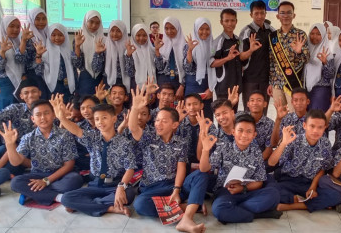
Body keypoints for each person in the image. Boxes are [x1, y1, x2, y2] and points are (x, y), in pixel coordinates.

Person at [130, 85, 208, 233]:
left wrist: (177, 190)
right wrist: (135, 108)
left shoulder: (181, 142)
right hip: (152, 188)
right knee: (140, 205)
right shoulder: (149, 137)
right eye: (157, 120)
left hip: (174, 186)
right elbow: (134, 128)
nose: (158, 124)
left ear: (174, 125)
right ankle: (188, 206)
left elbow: (181, 167)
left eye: (164, 121)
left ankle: (187, 218)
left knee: (201, 174)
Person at [54, 99, 137, 217]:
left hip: (114, 184)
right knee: (66, 198)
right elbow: (77, 130)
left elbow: (130, 168)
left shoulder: (124, 143)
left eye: (104, 118)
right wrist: (62, 118)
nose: (100, 122)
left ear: (114, 119)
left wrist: (121, 187)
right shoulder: (92, 137)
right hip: (95, 184)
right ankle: (110, 208)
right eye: (97, 119)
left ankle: (87, 204)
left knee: (128, 194)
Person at [199, 114, 281, 223]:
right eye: (240, 130)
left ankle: (234, 211)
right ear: (233, 132)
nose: (244, 135)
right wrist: (205, 150)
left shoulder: (256, 153)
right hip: (226, 191)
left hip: (247, 191)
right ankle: (256, 214)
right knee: (218, 209)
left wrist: (243, 188)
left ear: (254, 135)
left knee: (273, 194)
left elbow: (259, 181)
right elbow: (204, 169)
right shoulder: (223, 148)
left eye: (248, 131)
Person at [2, 100, 82, 206]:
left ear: (53, 115)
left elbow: (69, 165)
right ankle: (57, 197)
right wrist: (9, 144)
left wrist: (46, 181)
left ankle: (36, 192)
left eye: (46, 113)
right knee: (15, 183)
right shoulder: (28, 137)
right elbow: (16, 162)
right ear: (33, 119)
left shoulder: (65, 134)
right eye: (38, 115)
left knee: (75, 179)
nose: (43, 117)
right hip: (37, 174)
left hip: (60, 174)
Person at [267, 110, 341, 212]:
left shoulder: (325, 144)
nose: (315, 130)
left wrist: (313, 187)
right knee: (270, 190)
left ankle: (292, 205)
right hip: (288, 180)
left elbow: (323, 168)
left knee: (335, 196)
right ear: (304, 125)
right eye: (312, 126)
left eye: (320, 127)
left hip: (308, 183)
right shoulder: (294, 140)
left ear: (325, 127)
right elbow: (271, 163)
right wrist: (283, 143)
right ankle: (299, 200)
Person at [268, 1, 309, 112]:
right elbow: (271, 62)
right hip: (277, 83)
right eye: (282, 13)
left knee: (294, 114)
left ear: (293, 15)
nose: (285, 16)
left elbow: (307, 58)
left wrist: (299, 52)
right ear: (278, 16)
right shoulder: (273, 37)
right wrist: (270, 83)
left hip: (293, 82)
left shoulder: (300, 34)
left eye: (288, 13)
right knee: (281, 115)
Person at [239, 0, 274, 111]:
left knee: (263, 109)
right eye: (256, 13)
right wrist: (250, 50)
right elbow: (240, 56)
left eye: (262, 13)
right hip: (250, 79)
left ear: (265, 13)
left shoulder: (271, 31)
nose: (259, 16)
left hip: (266, 79)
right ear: (251, 15)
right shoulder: (246, 31)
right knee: (249, 110)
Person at [0, 16, 27, 109]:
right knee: (7, 111)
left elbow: (20, 61)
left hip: (20, 81)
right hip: (5, 83)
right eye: (12, 26)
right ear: (4, 27)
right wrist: (2, 51)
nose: (15, 29)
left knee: (21, 110)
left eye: (18, 27)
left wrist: (23, 41)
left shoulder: (18, 42)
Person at [35, 23, 76, 103]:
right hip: (51, 88)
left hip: (68, 88)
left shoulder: (69, 53)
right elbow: (39, 72)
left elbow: (75, 69)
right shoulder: (45, 53)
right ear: (49, 36)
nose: (57, 38)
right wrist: (39, 55)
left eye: (60, 35)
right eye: (53, 35)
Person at [183, 18, 214, 118]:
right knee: (190, 116)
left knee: (206, 116)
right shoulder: (188, 45)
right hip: (192, 86)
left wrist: (212, 88)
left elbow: (217, 69)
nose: (204, 32)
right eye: (201, 29)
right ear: (196, 29)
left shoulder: (214, 45)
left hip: (208, 87)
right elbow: (187, 69)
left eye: (207, 29)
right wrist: (190, 51)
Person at [211, 9, 242, 107]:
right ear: (221, 22)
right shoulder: (218, 41)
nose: (230, 23)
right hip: (223, 86)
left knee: (233, 116)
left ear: (236, 21)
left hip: (236, 86)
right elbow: (211, 63)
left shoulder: (238, 40)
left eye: (233, 20)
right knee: (223, 115)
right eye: (227, 21)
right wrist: (227, 58)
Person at [72, 10, 104, 96]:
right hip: (85, 79)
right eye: (91, 22)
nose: (94, 25)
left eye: (97, 23)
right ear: (86, 21)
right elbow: (77, 64)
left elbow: (104, 65)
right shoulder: (79, 39)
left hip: (101, 80)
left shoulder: (104, 40)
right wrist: (77, 46)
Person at [93, 20, 131, 92]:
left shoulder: (128, 47)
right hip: (107, 82)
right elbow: (96, 69)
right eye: (112, 30)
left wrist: (129, 56)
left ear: (123, 31)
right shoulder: (104, 46)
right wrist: (98, 53)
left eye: (118, 31)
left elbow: (131, 72)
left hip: (125, 82)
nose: (115, 33)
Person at [235, 90, 274, 160]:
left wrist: (255, 163)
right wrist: (230, 103)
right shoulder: (239, 116)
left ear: (265, 104)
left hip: (259, 159)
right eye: (252, 100)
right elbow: (225, 122)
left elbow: (268, 149)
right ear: (248, 104)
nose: (255, 103)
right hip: (237, 158)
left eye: (259, 100)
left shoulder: (270, 124)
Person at [304, 23, 334, 111]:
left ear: (323, 35)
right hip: (306, 89)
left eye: (318, 34)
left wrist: (325, 62)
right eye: (312, 34)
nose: (314, 36)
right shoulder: (305, 50)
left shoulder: (327, 52)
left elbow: (330, 75)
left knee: (317, 116)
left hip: (321, 89)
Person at [154, 17, 186, 98]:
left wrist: (182, 86)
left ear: (178, 28)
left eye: (172, 28)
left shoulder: (185, 46)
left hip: (178, 81)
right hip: (163, 80)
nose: (169, 31)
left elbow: (187, 69)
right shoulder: (161, 44)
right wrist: (157, 50)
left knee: (177, 107)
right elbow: (160, 68)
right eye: (166, 28)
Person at [125, 24, 156, 89]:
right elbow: (129, 73)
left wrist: (157, 51)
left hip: (152, 84)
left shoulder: (153, 50)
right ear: (133, 36)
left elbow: (160, 68)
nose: (141, 38)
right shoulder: (128, 51)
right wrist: (129, 56)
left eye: (144, 35)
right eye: (138, 35)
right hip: (135, 85)